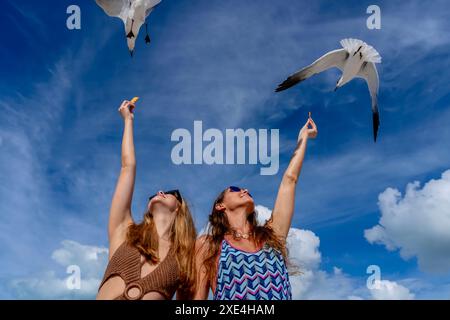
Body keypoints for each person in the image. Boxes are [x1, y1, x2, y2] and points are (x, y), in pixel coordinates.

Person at [194, 116, 318, 300]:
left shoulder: (272, 235)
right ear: (220, 206)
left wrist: (303, 138)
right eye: (235, 189)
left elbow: (289, 181)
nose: (244, 190)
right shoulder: (208, 244)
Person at [96, 100, 197, 300]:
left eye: (170, 192)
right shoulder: (125, 231)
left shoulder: (184, 257)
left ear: (179, 208)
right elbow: (127, 167)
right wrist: (128, 121)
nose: (160, 192)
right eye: (155, 194)